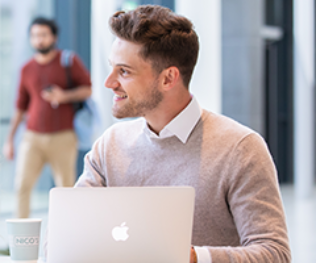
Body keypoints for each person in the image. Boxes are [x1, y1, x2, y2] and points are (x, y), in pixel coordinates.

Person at [75, 5, 291, 263]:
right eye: (112, 68)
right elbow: (64, 234)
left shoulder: (240, 148)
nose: (108, 82)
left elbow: (274, 253)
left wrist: (192, 257)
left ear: (168, 78)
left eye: (124, 71)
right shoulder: (110, 145)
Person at [2, 17, 92, 218]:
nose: (39, 40)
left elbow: (88, 89)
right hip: (32, 137)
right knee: (22, 186)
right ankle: (20, 238)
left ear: (54, 37)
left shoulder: (68, 61)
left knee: (65, 189)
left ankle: (67, 236)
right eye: (34, 36)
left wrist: (64, 96)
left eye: (43, 35)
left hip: (63, 136)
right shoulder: (27, 69)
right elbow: (20, 106)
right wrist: (9, 140)